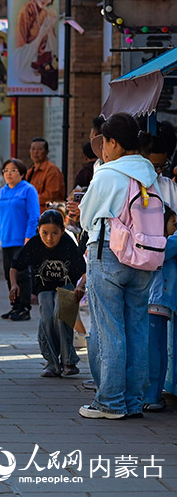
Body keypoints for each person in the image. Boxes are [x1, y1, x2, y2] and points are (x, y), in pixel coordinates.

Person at [78, 112, 161, 420]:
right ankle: (134, 401)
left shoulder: (108, 174)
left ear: (113, 142)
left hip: (108, 253)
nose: (103, 149)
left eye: (104, 143)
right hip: (144, 255)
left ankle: (110, 402)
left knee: (110, 329)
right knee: (137, 328)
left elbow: (87, 217)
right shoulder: (149, 173)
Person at [10, 210, 86, 377]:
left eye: (55, 233)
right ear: (38, 230)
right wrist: (14, 285)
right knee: (46, 318)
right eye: (45, 233)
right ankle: (51, 362)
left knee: (62, 316)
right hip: (44, 288)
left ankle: (69, 361)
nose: (49, 238)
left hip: (67, 285)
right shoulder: (35, 243)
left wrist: (80, 286)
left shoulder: (67, 243)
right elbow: (15, 265)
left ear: (63, 230)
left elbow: (85, 269)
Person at [0, 158, 40, 321]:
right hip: (6, 240)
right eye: (6, 171)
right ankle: (15, 306)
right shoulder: (2, 192)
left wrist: (29, 237)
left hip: (23, 241)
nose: (9, 174)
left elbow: (34, 216)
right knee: (8, 274)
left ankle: (25, 308)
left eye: (13, 170)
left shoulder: (28, 190)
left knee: (23, 275)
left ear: (22, 173)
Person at [145, 206, 177, 412]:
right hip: (158, 299)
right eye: (174, 223)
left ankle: (152, 394)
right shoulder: (166, 243)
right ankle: (153, 393)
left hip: (155, 299)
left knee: (154, 348)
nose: (175, 228)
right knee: (157, 348)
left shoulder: (166, 243)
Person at [13, 0, 59, 90]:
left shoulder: (47, 14)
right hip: (26, 64)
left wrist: (49, 29)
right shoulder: (25, 12)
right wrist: (41, 33)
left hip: (44, 65)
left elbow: (54, 48)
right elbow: (19, 53)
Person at [26, 138, 65, 214]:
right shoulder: (30, 171)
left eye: (39, 149)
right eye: (33, 149)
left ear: (47, 152)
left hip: (48, 216)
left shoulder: (52, 171)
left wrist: (29, 198)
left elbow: (50, 196)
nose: (35, 152)